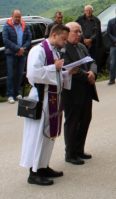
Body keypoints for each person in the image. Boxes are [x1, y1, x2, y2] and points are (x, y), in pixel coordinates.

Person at [20, 24, 78, 186]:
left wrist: (66, 73)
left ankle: (43, 165)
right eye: (63, 39)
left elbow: (55, 73)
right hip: (41, 97)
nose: (65, 42)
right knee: (38, 135)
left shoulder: (53, 50)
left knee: (48, 134)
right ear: (54, 35)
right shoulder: (38, 50)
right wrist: (55, 67)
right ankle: (33, 172)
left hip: (51, 97)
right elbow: (33, 74)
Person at [62, 22, 99, 165]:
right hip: (72, 91)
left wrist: (93, 73)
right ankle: (70, 153)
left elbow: (92, 61)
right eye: (75, 32)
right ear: (67, 33)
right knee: (72, 123)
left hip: (86, 90)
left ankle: (79, 149)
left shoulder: (82, 47)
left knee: (85, 120)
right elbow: (68, 67)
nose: (79, 35)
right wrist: (86, 76)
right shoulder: (64, 48)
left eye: (80, 32)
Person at [2, 9, 32, 103]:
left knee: (19, 74)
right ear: (12, 16)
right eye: (16, 17)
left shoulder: (24, 25)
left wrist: (23, 48)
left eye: (19, 16)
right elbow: (6, 40)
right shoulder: (7, 26)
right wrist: (17, 49)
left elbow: (29, 38)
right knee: (11, 74)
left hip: (22, 53)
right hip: (11, 53)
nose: (18, 18)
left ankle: (17, 93)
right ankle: (10, 95)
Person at [76, 5, 103, 70]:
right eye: (87, 10)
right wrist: (84, 39)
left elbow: (97, 32)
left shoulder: (96, 20)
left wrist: (91, 40)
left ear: (92, 11)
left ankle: (92, 72)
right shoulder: (80, 19)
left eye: (90, 10)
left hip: (93, 44)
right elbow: (77, 30)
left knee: (92, 59)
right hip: (82, 43)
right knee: (83, 59)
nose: (88, 12)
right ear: (84, 11)